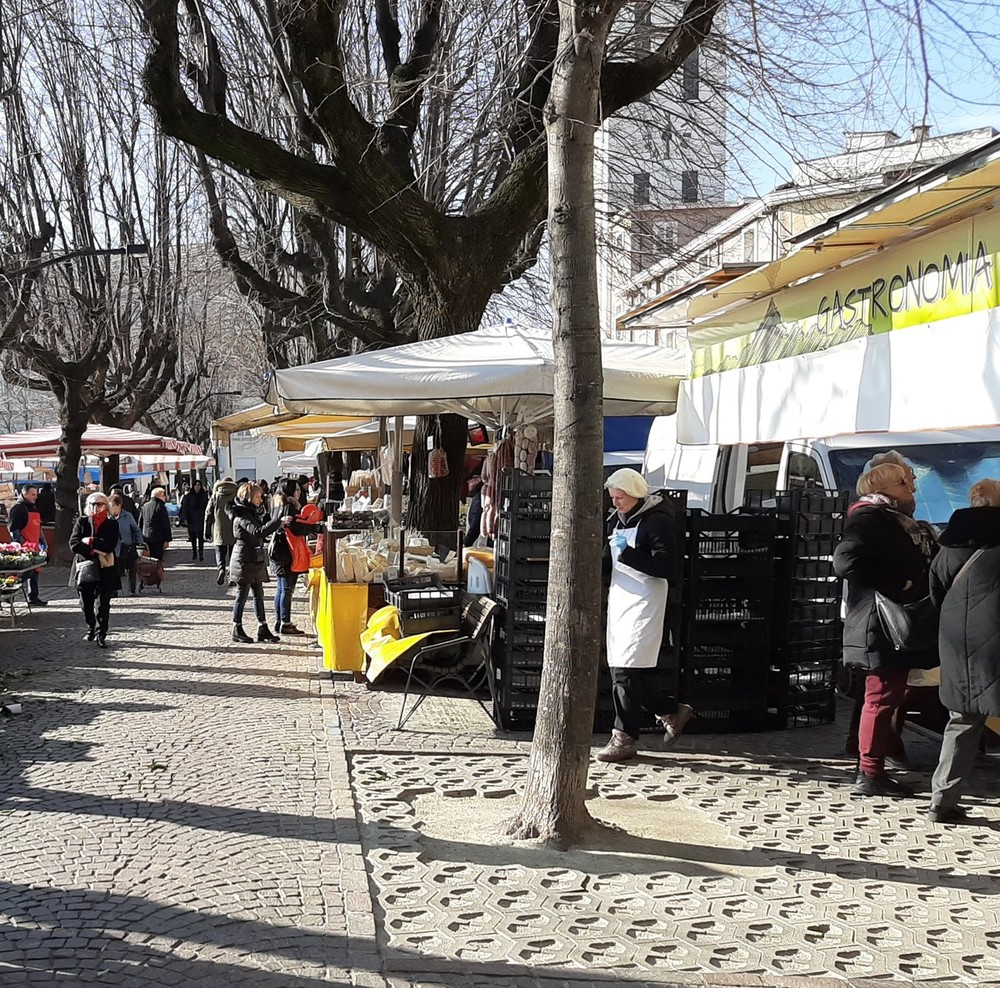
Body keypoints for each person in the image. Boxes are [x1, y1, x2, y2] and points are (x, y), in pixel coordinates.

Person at [833, 462, 939, 797]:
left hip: (886, 624)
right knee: (880, 698)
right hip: (878, 624)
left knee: (885, 696)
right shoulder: (869, 519)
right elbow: (846, 560)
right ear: (885, 488)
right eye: (905, 482)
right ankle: (870, 772)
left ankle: (870, 764)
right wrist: (898, 584)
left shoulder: (888, 519)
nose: (913, 488)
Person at [595, 468, 692, 763]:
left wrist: (628, 555)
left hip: (646, 600)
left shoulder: (658, 522)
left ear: (635, 495)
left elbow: (667, 567)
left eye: (620, 498)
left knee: (626, 668)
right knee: (625, 668)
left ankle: (624, 736)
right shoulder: (618, 520)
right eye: (612, 498)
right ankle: (671, 711)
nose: (615, 504)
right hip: (622, 598)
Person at [926, 478, 1000, 823]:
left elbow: (935, 592)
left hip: (958, 640)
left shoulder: (949, 546)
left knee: (962, 720)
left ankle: (943, 799)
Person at [227, 482, 288, 643]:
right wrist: (277, 521)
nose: (260, 500)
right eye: (257, 497)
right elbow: (257, 532)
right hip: (244, 559)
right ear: (248, 497)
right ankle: (236, 626)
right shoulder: (241, 515)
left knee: (258, 595)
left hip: (254, 557)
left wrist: (275, 520)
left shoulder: (251, 513)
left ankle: (263, 627)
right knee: (242, 594)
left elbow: (261, 530)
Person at [269, 479, 320, 636]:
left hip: (279, 552)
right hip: (286, 553)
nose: (299, 492)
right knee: (286, 588)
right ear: (290, 491)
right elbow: (296, 528)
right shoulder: (288, 507)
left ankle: (280, 621)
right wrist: (314, 528)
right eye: (297, 490)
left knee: (281, 588)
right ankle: (285, 623)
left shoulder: (278, 504)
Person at [69, 491, 121, 648]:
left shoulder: (112, 524)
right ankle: (90, 626)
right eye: (92, 504)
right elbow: (74, 544)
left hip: (105, 569)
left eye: (99, 504)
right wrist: (92, 551)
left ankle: (101, 634)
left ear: (106, 506)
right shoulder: (82, 521)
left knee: (103, 603)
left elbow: (110, 546)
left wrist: (92, 541)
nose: (95, 507)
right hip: (85, 567)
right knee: (86, 603)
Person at [8, 484, 48, 606]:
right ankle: (8, 594)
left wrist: (43, 543)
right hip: (24, 547)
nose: (35, 497)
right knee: (25, 573)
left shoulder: (33, 508)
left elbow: (38, 528)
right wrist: (21, 545)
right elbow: (13, 528)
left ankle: (33, 596)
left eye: (36, 494)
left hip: (34, 546)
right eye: (33, 494)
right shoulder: (18, 509)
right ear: (24, 494)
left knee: (34, 572)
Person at [205, 477, 239, 586]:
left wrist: (207, 531)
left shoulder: (216, 495)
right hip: (234, 529)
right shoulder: (236, 495)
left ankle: (221, 569)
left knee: (220, 550)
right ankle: (232, 576)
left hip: (219, 529)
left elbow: (208, 513)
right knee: (233, 553)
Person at [110, 493, 145, 595]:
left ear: (118, 505)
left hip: (128, 546)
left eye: (112, 505)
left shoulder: (127, 516)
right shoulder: (108, 518)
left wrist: (140, 543)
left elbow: (136, 530)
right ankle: (114, 590)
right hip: (114, 548)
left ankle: (132, 590)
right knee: (114, 570)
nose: (110, 508)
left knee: (131, 569)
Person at [140, 487, 172, 563]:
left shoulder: (145, 506)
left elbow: (140, 522)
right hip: (158, 538)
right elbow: (165, 524)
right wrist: (167, 539)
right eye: (164, 495)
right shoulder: (161, 506)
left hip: (146, 536)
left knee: (148, 560)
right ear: (160, 496)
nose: (165, 497)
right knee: (157, 561)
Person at [179, 480, 209, 561]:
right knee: (192, 537)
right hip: (191, 519)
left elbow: (207, 507)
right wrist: (184, 518)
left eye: (199, 485)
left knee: (200, 537)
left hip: (200, 518)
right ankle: (194, 552)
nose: (197, 486)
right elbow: (185, 507)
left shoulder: (204, 495)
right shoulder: (189, 496)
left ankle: (201, 553)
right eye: (196, 485)